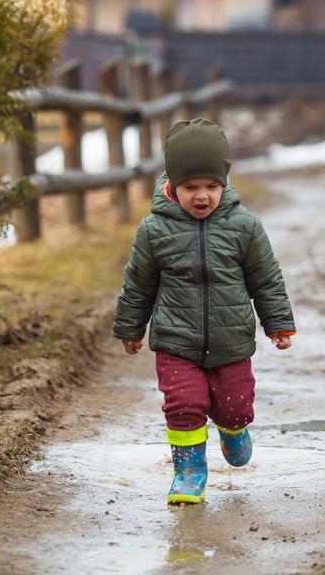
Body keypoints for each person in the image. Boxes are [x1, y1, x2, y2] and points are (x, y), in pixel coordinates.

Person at [113, 118, 296, 505]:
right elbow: (138, 284)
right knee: (182, 406)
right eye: (191, 187)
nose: (202, 196)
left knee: (235, 407)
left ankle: (234, 432)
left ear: (225, 183)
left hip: (231, 341)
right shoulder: (153, 230)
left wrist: (277, 322)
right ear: (172, 184)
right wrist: (131, 327)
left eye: (212, 186)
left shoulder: (244, 227)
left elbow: (266, 279)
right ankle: (189, 471)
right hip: (175, 341)